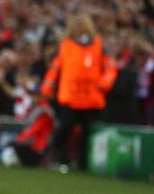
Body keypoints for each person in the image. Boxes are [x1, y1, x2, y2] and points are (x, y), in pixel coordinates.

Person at [40, 13, 117, 171]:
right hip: (70, 95)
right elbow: (55, 68)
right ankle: (54, 156)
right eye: (77, 24)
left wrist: (103, 84)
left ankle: (83, 164)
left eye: (82, 23)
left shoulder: (98, 44)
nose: (80, 27)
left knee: (87, 132)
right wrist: (47, 88)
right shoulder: (66, 45)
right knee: (65, 126)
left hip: (91, 96)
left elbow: (110, 67)